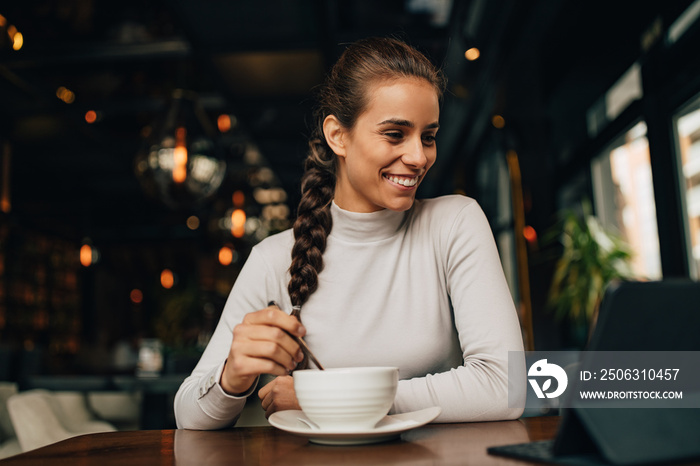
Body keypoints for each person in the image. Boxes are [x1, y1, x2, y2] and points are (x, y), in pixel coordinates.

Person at [174, 36, 526, 430]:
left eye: (428, 136)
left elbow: (505, 386)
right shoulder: (273, 259)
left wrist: (329, 398)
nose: (418, 157)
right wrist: (232, 378)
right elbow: (189, 415)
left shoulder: (455, 223)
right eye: (395, 134)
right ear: (338, 136)